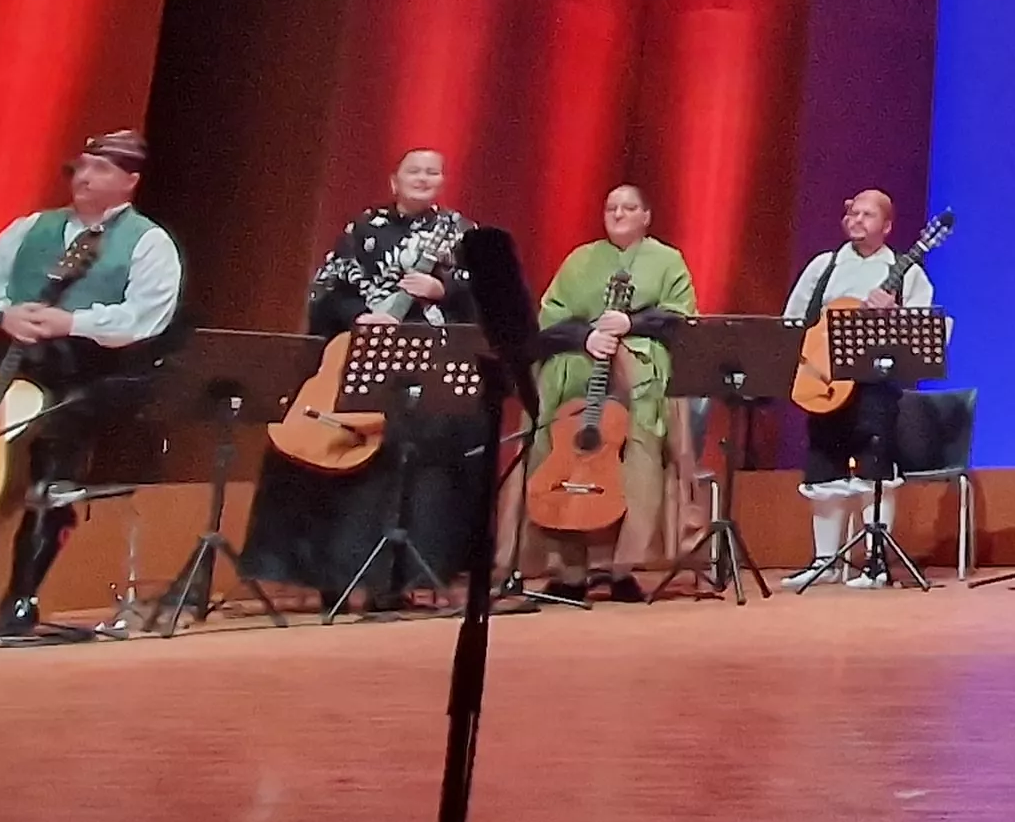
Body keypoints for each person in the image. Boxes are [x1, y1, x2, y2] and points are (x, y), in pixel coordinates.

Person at [0, 131, 183, 643]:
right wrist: (7, 313)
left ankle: (22, 596)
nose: (85, 177)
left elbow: (146, 317)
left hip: (86, 378)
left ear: (130, 181)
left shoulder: (148, 242)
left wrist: (69, 323)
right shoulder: (32, 228)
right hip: (10, 370)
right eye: (81, 167)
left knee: (50, 471)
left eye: (100, 169)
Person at [244, 147, 487, 611]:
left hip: (426, 362)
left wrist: (444, 289)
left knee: (425, 446)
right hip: (362, 351)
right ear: (393, 180)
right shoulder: (361, 231)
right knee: (324, 446)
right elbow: (328, 291)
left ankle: (393, 583)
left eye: (432, 171)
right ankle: (329, 578)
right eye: (413, 170)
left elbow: (484, 298)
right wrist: (363, 316)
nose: (423, 178)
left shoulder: (461, 233)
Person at [523, 184, 696, 602]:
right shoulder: (580, 259)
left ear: (646, 216)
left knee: (633, 464)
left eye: (629, 207)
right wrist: (586, 337)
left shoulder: (667, 260)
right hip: (577, 373)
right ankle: (568, 570)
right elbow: (550, 318)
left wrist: (628, 326)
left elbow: (681, 318)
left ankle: (618, 568)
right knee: (568, 460)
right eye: (611, 207)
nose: (619, 213)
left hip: (638, 382)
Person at [784, 189, 935, 586]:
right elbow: (794, 319)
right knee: (823, 469)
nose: (857, 219)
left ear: (886, 226)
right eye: (853, 212)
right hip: (824, 381)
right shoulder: (824, 266)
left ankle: (876, 563)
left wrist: (894, 314)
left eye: (868, 215)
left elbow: (920, 332)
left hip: (875, 385)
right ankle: (825, 562)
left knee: (874, 469)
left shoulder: (907, 273)